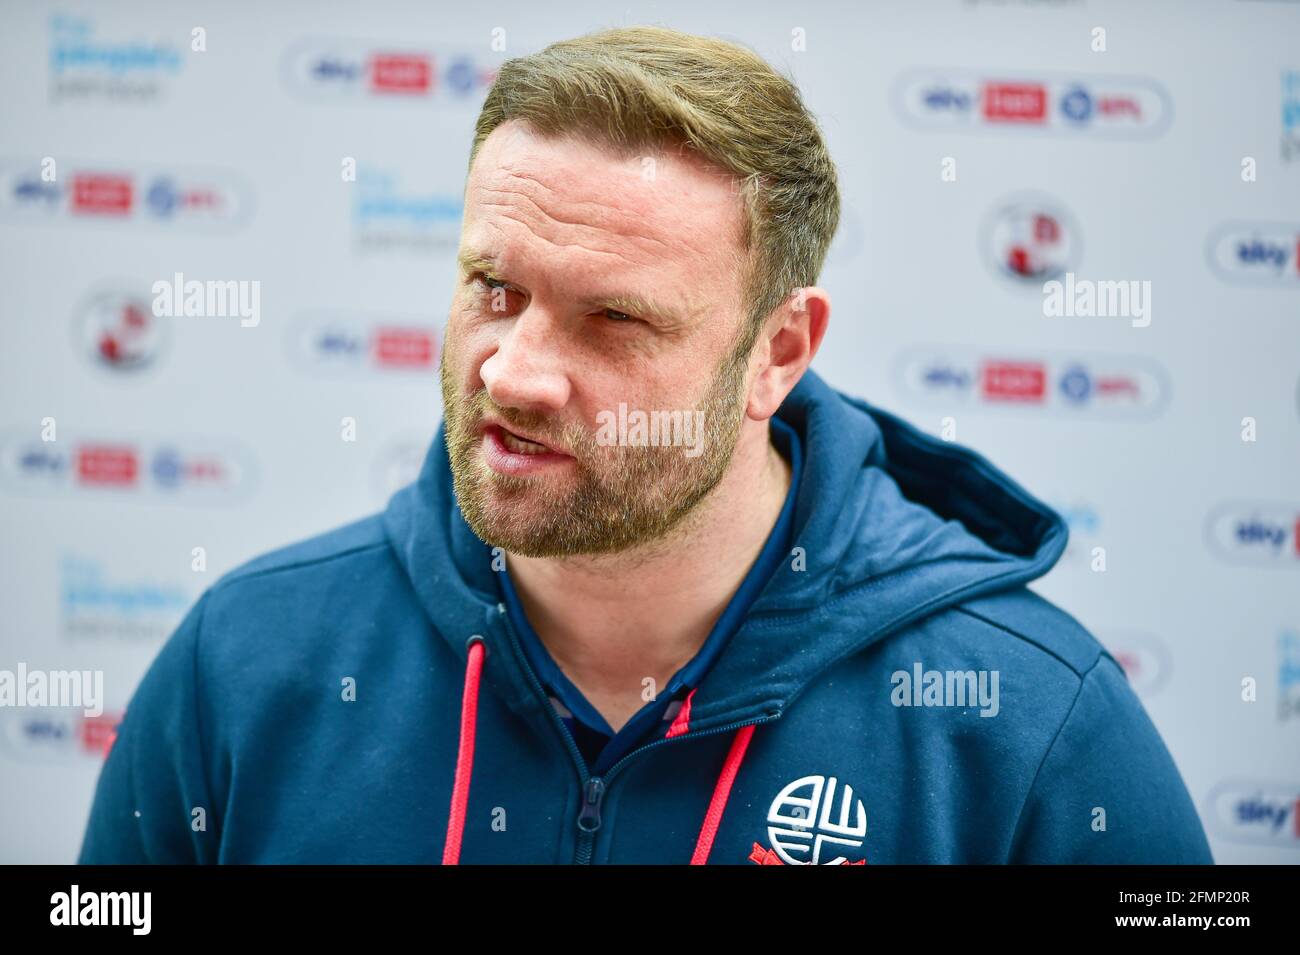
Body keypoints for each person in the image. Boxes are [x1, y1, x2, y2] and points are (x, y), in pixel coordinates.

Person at [78, 25, 1213, 865]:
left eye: (613, 319)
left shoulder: (1024, 724)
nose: (513, 370)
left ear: (777, 353)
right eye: (493, 287)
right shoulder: (248, 663)